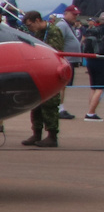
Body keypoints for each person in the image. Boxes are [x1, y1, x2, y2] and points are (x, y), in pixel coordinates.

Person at [21, 10, 66, 146]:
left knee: (50, 105)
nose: (30, 29)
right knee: (36, 104)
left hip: (51, 72)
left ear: (37, 20)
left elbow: (55, 51)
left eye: (30, 25)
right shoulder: (38, 33)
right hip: (39, 72)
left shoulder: (53, 31)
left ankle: (52, 136)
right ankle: (37, 133)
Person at [82, 15, 104, 121]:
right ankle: (90, 113)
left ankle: (91, 111)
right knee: (100, 87)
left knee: (93, 87)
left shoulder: (91, 30)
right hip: (101, 59)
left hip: (90, 59)